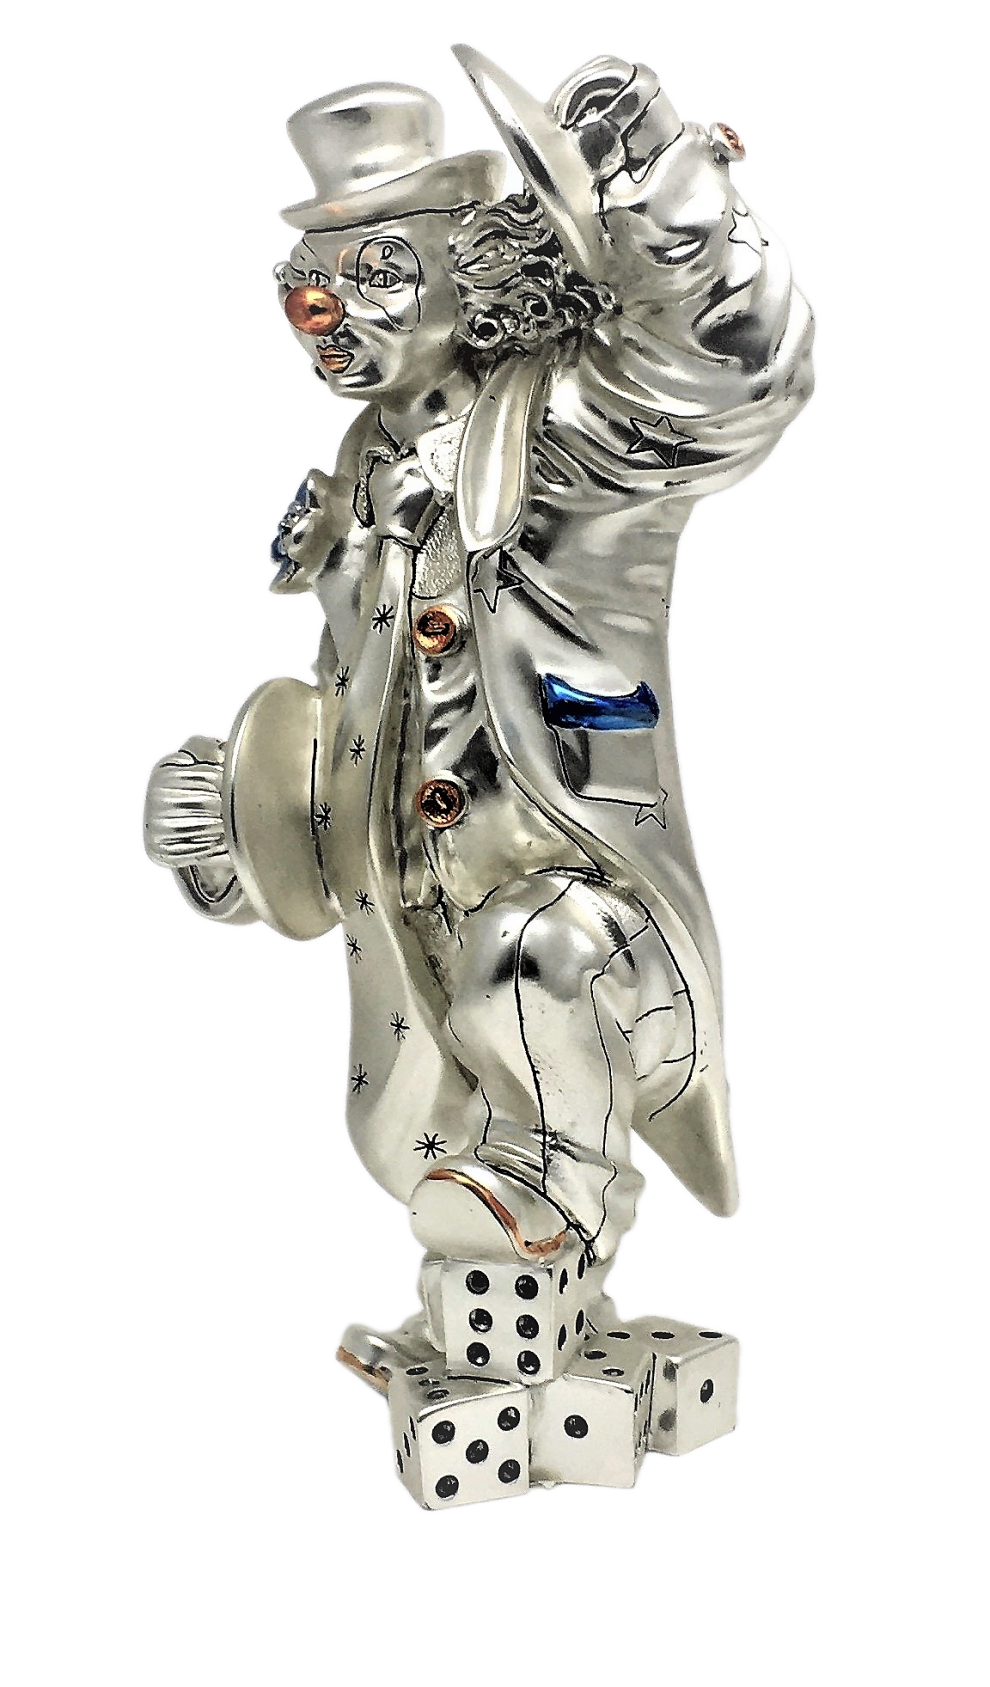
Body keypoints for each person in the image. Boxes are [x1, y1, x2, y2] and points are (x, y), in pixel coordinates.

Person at [146, 49, 813, 1357]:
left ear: (478, 269)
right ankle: (504, 1310)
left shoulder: (557, 434)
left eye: (378, 272)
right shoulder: (358, 478)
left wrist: (668, 207)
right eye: (306, 286)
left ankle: (568, 1198)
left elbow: (723, 379)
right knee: (429, 1109)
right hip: (414, 962)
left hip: (590, 933)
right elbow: (351, 735)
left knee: (535, 958)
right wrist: (235, 822)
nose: (328, 313)